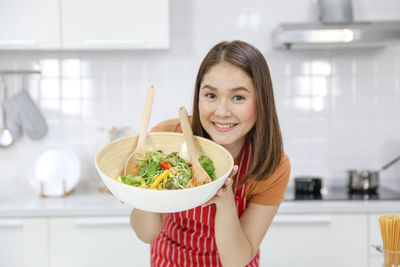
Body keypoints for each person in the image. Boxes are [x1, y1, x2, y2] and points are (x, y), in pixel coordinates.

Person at [130, 40, 290, 267]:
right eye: (211, 96)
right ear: (198, 96)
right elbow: (146, 234)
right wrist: (140, 189)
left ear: (261, 101)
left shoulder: (272, 164)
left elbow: (236, 260)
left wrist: (224, 201)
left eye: (238, 97)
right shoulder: (167, 138)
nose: (222, 111)